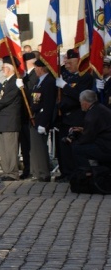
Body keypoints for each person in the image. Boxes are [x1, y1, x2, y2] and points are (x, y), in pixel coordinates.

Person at [54, 48, 93, 181]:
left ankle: (73, 174)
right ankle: (65, 172)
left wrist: (65, 86)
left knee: (73, 148)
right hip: (63, 117)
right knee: (62, 149)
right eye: (67, 62)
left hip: (76, 118)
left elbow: (80, 96)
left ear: (79, 61)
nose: (67, 65)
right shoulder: (66, 76)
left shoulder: (85, 77)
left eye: (70, 62)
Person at [62, 89, 111, 174]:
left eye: (80, 102)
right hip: (106, 142)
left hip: (106, 147)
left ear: (85, 102)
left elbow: (87, 138)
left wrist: (71, 140)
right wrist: (82, 130)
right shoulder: (100, 108)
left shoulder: (91, 114)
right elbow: (99, 129)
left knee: (77, 149)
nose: (80, 104)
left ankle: (87, 174)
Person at [0, 56, 25, 181]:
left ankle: (12, 172)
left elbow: (9, 98)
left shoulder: (15, 82)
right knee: (4, 147)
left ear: (11, 68)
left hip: (10, 119)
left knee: (10, 147)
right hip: (3, 119)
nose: (2, 70)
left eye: (4, 67)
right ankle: (6, 171)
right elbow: (2, 96)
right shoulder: (7, 82)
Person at [27, 58, 58, 182]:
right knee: (35, 147)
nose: (35, 70)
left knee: (40, 147)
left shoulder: (49, 82)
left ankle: (44, 173)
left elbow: (48, 104)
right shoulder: (38, 82)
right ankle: (37, 172)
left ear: (41, 68)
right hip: (35, 117)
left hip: (41, 119)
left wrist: (44, 123)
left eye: (36, 68)